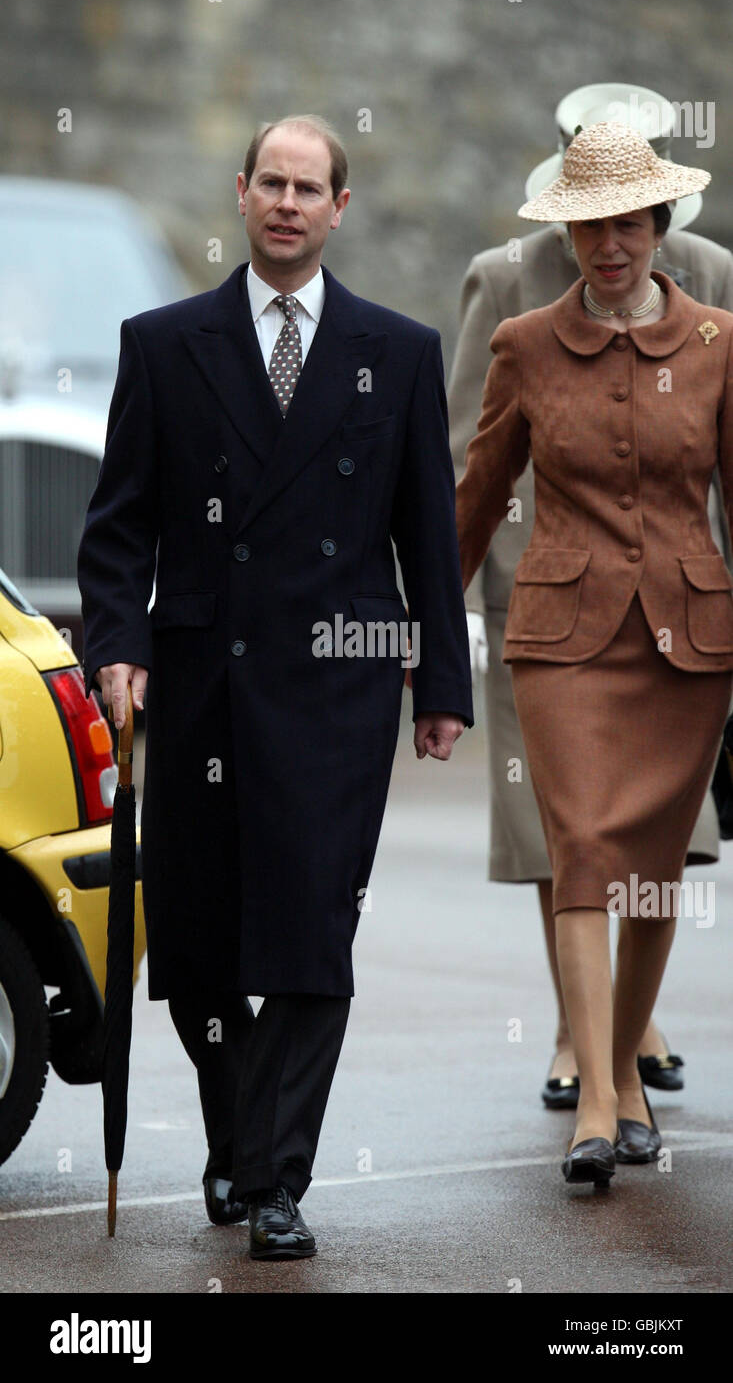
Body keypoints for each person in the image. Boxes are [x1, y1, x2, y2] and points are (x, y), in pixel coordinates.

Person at [77, 113, 473, 1256]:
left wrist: (438, 681)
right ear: (241, 195)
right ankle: (239, 1136)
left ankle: (276, 1179)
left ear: (338, 209)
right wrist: (118, 643)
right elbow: (118, 529)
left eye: (313, 187)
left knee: (310, 933)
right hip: (199, 683)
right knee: (198, 943)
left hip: (339, 691)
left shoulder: (396, 350)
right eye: (274, 183)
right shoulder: (162, 343)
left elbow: (425, 539)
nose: (291, 203)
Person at [455, 119, 733, 1186]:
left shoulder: (716, 341)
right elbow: (477, 492)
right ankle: (598, 1111)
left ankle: (619, 1064)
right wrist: (421, 625)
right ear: (565, 231)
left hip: (690, 641)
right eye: (586, 225)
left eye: (623, 222)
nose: (606, 244)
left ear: (658, 224)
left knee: (654, 875)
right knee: (578, 849)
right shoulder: (524, 342)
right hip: (560, 637)